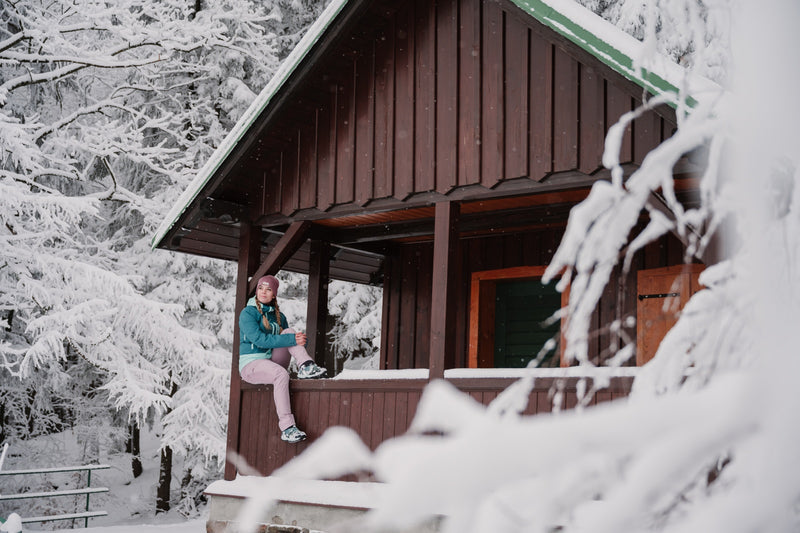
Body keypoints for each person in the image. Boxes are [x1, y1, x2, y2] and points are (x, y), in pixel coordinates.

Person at [238, 275, 327, 443]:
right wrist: (293, 340)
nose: (263, 292)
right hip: (251, 365)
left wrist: (300, 340)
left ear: (274, 294)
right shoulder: (248, 313)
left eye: (268, 289)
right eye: (260, 288)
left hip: (271, 360)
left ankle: (306, 366)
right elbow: (259, 340)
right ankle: (287, 428)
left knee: (289, 331)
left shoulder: (279, 316)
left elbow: (287, 341)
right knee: (281, 374)